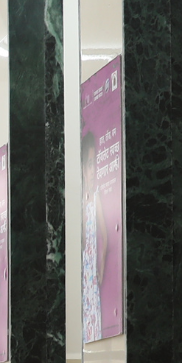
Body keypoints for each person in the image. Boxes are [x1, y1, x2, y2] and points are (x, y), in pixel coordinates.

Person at [80, 129, 104, 344]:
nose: (93, 169)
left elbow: (104, 236)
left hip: (92, 275)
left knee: (94, 324)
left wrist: (101, 269)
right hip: (83, 274)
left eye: (94, 162)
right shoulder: (81, 203)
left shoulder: (95, 198)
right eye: (89, 164)